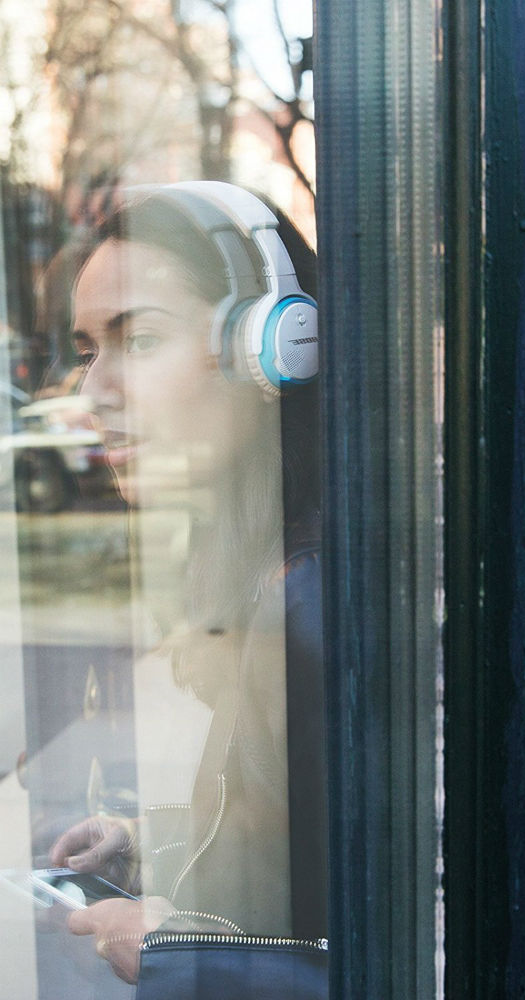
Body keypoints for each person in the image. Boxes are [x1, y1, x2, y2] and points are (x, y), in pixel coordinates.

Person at [44, 183, 327, 984]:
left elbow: (430, 959)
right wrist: (141, 844)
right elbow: (293, 860)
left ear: (274, 346)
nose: (93, 393)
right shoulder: (269, 569)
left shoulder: (313, 603)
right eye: (89, 350)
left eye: (139, 340)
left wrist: (179, 956)